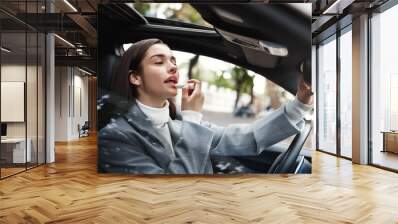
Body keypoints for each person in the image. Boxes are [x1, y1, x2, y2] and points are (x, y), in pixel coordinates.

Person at [98, 38, 313, 174]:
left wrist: (300, 102)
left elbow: (247, 138)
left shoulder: (177, 121)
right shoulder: (114, 137)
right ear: (135, 78)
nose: (173, 67)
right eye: (159, 61)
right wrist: (192, 116)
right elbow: (170, 198)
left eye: (173, 61)